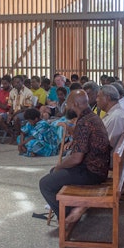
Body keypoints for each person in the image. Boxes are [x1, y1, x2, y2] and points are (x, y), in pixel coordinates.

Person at [39, 90, 112, 224]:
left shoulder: (84, 122)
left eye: (68, 104)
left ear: (75, 104)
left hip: (91, 172)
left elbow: (76, 158)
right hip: (99, 167)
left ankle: (68, 217)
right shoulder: (92, 117)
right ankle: (73, 207)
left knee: (45, 183)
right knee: (53, 174)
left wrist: (59, 167)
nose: (67, 107)